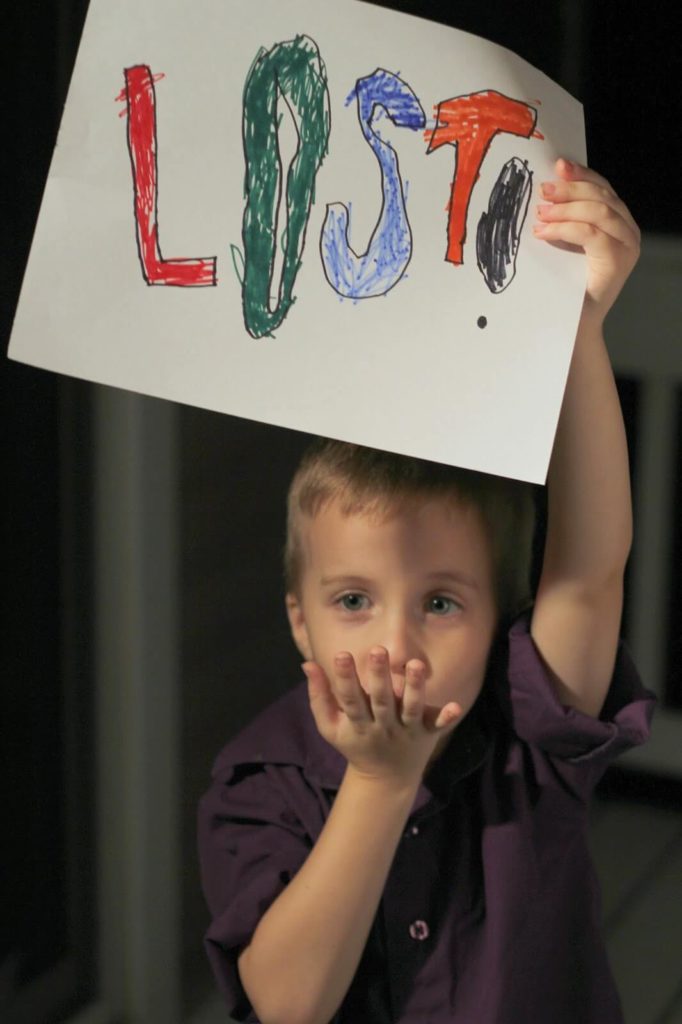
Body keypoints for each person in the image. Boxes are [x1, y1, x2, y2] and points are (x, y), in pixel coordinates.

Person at [197, 158, 656, 1024]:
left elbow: (590, 570)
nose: (394, 644)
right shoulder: (258, 782)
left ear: (500, 624)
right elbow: (286, 1004)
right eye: (353, 601)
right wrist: (381, 779)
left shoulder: (529, 738)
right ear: (299, 621)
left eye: (441, 603)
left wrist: (579, 326)